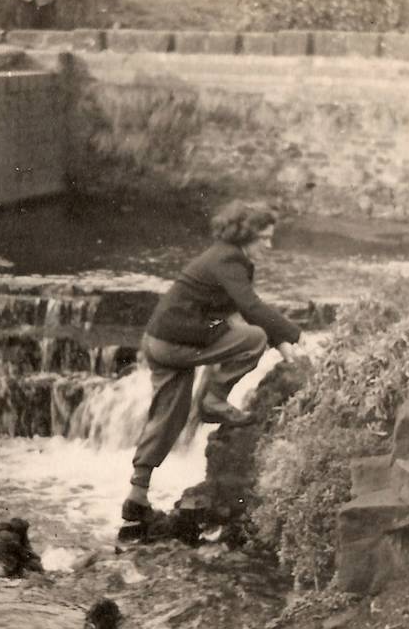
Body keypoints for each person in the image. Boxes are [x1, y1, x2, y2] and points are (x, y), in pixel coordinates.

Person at [122, 202, 310, 523]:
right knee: (253, 339)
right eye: (263, 238)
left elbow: (236, 311)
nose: (269, 245)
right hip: (178, 343)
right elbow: (251, 309)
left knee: (169, 416)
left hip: (159, 341)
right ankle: (213, 400)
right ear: (245, 235)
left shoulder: (223, 255)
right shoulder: (229, 260)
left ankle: (136, 497)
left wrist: (282, 345)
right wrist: (292, 334)